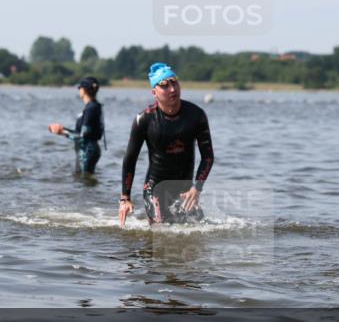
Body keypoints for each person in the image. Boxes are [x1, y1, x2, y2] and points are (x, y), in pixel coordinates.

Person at [119, 63, 214, 226]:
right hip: (155, 189)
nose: (172, 89)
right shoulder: (144, 119)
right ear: (154, 92)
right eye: (164, 85)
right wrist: (124, 198)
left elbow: (208, 157)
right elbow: (130, 159)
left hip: (186, 190)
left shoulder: (196, 115)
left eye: (174, 82)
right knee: (162, 231)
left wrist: (197, 188)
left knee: (200, 228)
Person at [47, 76, 104, 174]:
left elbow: (83, 137)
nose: (79, 90)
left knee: (83, 180)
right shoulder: (93, 107)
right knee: (84, 181)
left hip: (87, 151)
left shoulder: (91, 109)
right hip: (88, 149)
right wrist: (63, 129)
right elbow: (83, 133)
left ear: (84, 90)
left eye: (80, 88)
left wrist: (62, 132)